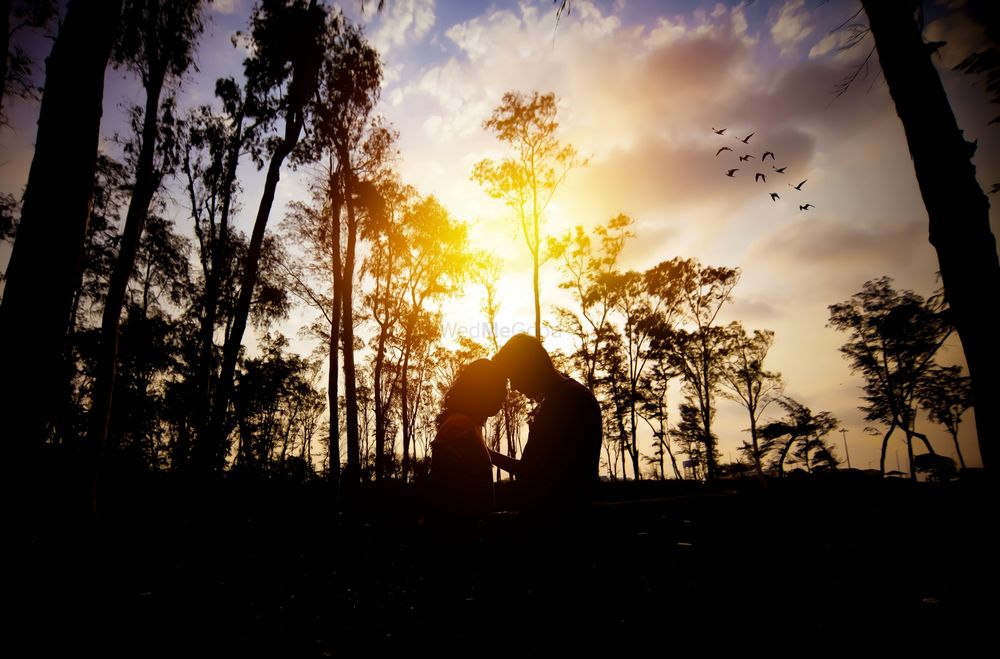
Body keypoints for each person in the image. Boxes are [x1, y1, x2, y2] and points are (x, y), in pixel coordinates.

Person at [488, 334, 602, 526]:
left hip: (558, 524)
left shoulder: (566, 401)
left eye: (514, 376)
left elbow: (529, 471)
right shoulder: (568, 397)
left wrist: (484, 453)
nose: (514, 386)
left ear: (528, 367)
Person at [425, 358, 507, 529]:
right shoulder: (459, 427)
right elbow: (447, 499)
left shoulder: (466, 425)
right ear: (481, 390)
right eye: (499, 387)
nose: (504, 394)